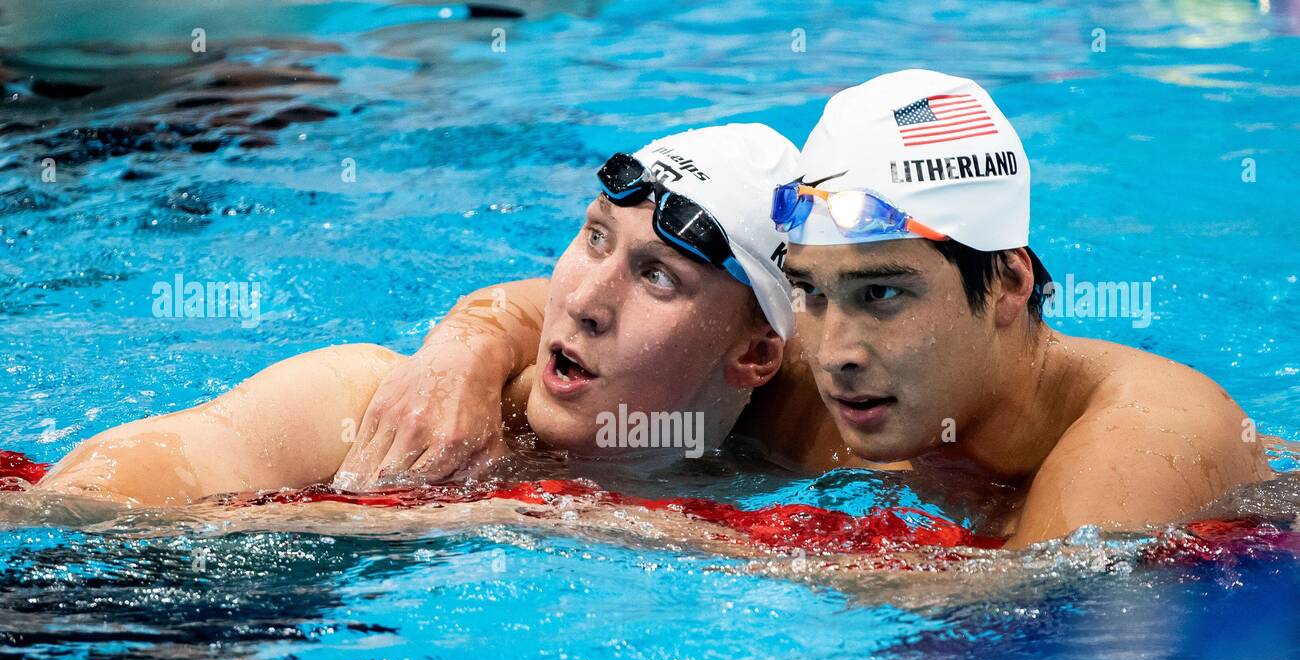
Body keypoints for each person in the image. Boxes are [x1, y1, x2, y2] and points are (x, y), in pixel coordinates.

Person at [347, 70, 1274, 547]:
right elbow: (571, 306)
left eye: (882, 294)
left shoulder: (1145, 431)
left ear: (1011, 286)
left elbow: (1014, 635)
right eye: (813, 297)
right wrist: (456, 357)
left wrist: (571, 518)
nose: (833, 350)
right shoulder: (832, 370)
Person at [37, 124, 826, 506]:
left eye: (656, 278)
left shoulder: (785, 470)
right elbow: (82, 503)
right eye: (593, 239)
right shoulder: (368, 399)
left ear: (756, 355)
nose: (583, 303)